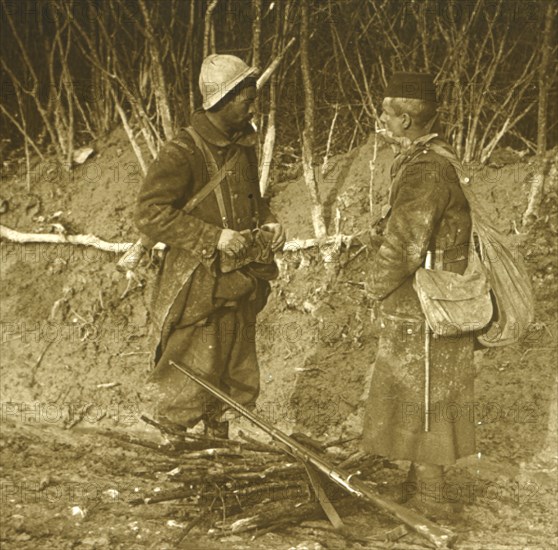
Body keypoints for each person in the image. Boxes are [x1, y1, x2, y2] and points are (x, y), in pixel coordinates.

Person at [135, 54, 285, 439]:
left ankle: (216, 452)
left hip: (241, 281)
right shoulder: (181, 152)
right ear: (220, 100)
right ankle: (172, 449)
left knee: (233, 368)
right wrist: (213, 237)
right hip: (198, 285)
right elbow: (150, 214)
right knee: (188, 368)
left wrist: (268, 221)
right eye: (246, 101)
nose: (254, 107)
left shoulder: (242, 147)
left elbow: (253, 199)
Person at [362, 72, 475, 517]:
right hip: (429, 297)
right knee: (416, 391)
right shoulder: (426, 161)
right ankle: (417, 486)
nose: (382, 121)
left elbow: (406, 242)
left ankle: (431, 502)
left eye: (387, 114)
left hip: (426, 302)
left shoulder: (426, 169)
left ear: (406, 119)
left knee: (423, 394)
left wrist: (374, 285)